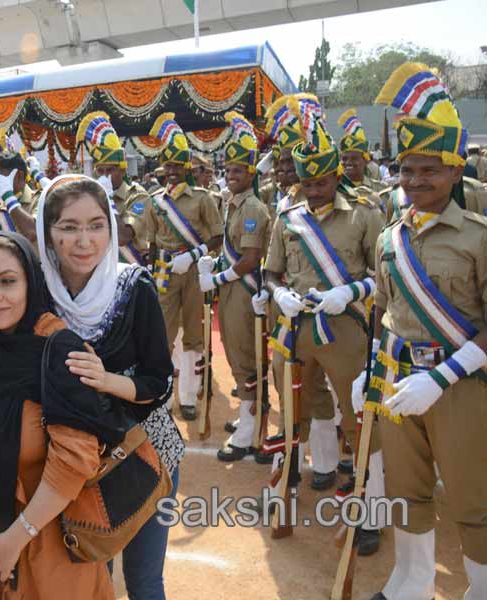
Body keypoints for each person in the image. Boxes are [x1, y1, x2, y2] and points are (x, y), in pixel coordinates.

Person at [366, 62, 487, 600]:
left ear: (456, 172)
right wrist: (371, 376)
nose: (415, 181)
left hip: (460, 388)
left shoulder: (479, 238)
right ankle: (410, 583)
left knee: (472, 496)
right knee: (405, 488)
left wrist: (441, 378)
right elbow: (383, 313)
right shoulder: (389, 238)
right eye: (407, 171)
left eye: (429, 171)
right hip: (396, 383)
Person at [0, 232, 115, 599]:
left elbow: (74, 460)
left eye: (7, 282)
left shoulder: (59, 352)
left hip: (46, 552)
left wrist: (14, 540)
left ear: (30, 282)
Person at [36, 175, 181, 599]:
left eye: (96, 225)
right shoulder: (37, 291)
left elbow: (160, 381)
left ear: (112, 228)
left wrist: (106, 381)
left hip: (145, 452)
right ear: (48, 231)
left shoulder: (134, 286)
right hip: (73, 461)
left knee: (144, 581)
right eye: (68, 227)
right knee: (91, 581)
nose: (85, 240)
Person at [262, 98, 385, 555]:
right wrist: (278, 294)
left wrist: (349, 293)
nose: (313, 190)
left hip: (345, 327)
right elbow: (272, 271)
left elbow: (384, 278)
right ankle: (319, 472)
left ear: (337, 175)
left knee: (358, 419)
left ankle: (372, 511)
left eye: (322, 181)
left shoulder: (365, 214)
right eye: (306, 181)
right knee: (297, 408)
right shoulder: (287, 217)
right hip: (295, 328)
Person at [197, 113, 272, 463]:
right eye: (228, 171)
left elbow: (251, 257)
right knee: (234, 351)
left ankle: (249, 433)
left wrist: (217, 278)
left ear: (251, 174)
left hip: (243, 288)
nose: (231, 176)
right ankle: (250, 417)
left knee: (245, 357)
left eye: (238, 172)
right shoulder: (232, 204)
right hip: (230, 287)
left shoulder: (253, 207)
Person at [145, 112, 223, 421]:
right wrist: (154, 272)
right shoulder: (155, 200)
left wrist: (192, 256)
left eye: (178, 166)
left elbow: (218, 237)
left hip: (191, 272)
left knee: (192, 334)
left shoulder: (202, 199)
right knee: (162, 335)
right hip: (165, 271)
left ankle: (188, 397)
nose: (173, 173)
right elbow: (151, 243)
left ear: (187, 168)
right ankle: (164, 396)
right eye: (169, 168)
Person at [76, 111, 149, 265]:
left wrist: (108, 198)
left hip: (130, 269)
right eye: (100, 171)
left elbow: (123, 237)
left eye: (110, 170)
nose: (104, 176)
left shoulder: (138, 196)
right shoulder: (93, 198)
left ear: (122, 170)